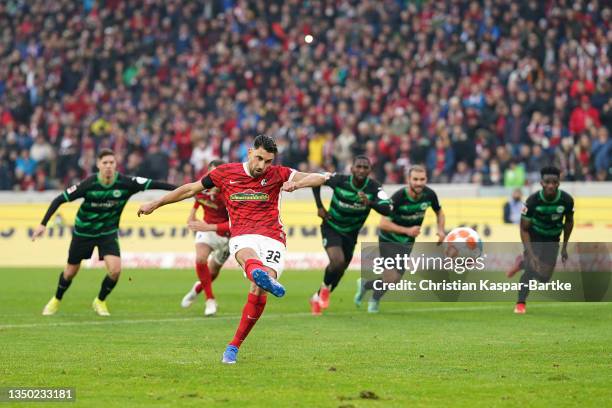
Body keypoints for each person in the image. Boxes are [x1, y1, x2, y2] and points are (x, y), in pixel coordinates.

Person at [136, 135, 329, 364]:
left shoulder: (279, 173)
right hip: (242, 234)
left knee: (259, 290)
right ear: (249, 152)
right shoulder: (225, 173)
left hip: (272, 236)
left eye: (268, 161)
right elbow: (189, 189)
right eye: (259, 158)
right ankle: (257, 275)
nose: (262, 166)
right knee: (249, 258)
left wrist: (297, 183)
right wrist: (155, 203)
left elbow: (318, 178)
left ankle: (234, 344)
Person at [33, 149, 176, 316]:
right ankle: (56, 299)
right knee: (70, 272)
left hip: (107, 233)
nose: (108, 166)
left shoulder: (126, 183)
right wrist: (43, 224)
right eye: (105, 163)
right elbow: (59, 199)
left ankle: (100, 301)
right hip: (83, 232)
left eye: (112, 163)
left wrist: (184, 190)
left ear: (116, 165)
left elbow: (157, 184)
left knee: (115, 270)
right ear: (98, 165)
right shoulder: (88, 183)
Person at [355, 165, 446, 312]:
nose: (418, 183)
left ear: (426, 179)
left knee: (394, 280)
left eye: (422, 179)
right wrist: (408, 230)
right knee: (390, 277)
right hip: (389, 239)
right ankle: (374, 300)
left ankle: (366, 285)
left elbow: (439, 212)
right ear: (408, 180)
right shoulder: (399, 197)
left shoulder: (430, 195)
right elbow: (383, 223)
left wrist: (441, 230)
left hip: (406, 243)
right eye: (415, 179)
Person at [310, 156, 391, 315]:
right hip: (332, 226)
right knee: (337, 261)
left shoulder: (374, 188)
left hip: (351, 234)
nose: (361, 170)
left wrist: (370, 203)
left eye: (365, 167)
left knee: (340, 270)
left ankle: (317, 297)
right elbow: (316, 179)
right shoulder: (340, 180)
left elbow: (388, 209)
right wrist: (319, 206)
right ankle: (324, 290)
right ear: (352, 168)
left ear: (369, 170)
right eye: (358, 167)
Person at [506, 166, 574, 314]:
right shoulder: (532, 201)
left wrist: (564, 247)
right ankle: (520, 303)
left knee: (544, 278)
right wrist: (531, 253)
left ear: (558, 183)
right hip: (534, 235)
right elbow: (524, 228)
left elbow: (569, 222)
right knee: (531, 269)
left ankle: (521, 263)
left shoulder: (566, 200)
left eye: (554, 182)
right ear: (541, 183)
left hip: (553, 238)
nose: (550, 185)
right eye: (547, 182)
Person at [180, 159, 229, 316]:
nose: (215, 178)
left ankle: (197, 289)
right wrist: (191, 216)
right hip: (206, 230)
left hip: (227, 235)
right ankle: (210, 300)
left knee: (212, 272)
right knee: (201, 259)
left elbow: (236, 224)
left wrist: (209, 227)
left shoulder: (229, 194)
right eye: (212, 174)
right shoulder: (200, 187)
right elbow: (198, 200)